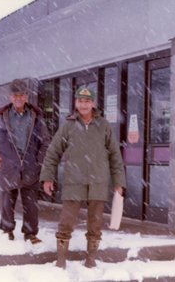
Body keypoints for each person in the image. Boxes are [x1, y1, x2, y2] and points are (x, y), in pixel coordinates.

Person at [40, 86, 126, 268]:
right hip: (73, 183)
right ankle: (61, 259)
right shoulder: (68, 126)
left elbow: (115, 156)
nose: (84, 105)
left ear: (93, 103)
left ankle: (91, 259)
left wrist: (119, 183)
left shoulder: (103, 126)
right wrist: (47, 178)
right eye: (80, 101)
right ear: (76, 103)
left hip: (98, 184)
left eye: (87, 101)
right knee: (66, 223)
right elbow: (53, 153)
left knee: (95, 225)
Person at [0, 78, 50, 244]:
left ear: (27, 96)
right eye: (15, 95)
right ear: (10, 97)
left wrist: (38, 161)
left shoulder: (36, 116)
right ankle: (7, 230)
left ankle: (30, 233)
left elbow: (46, 141)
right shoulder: (0, 117)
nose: (18, 98)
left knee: (31, 203)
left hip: (30, 167)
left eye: (22, 95)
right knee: (7, 201)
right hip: (8, 167)